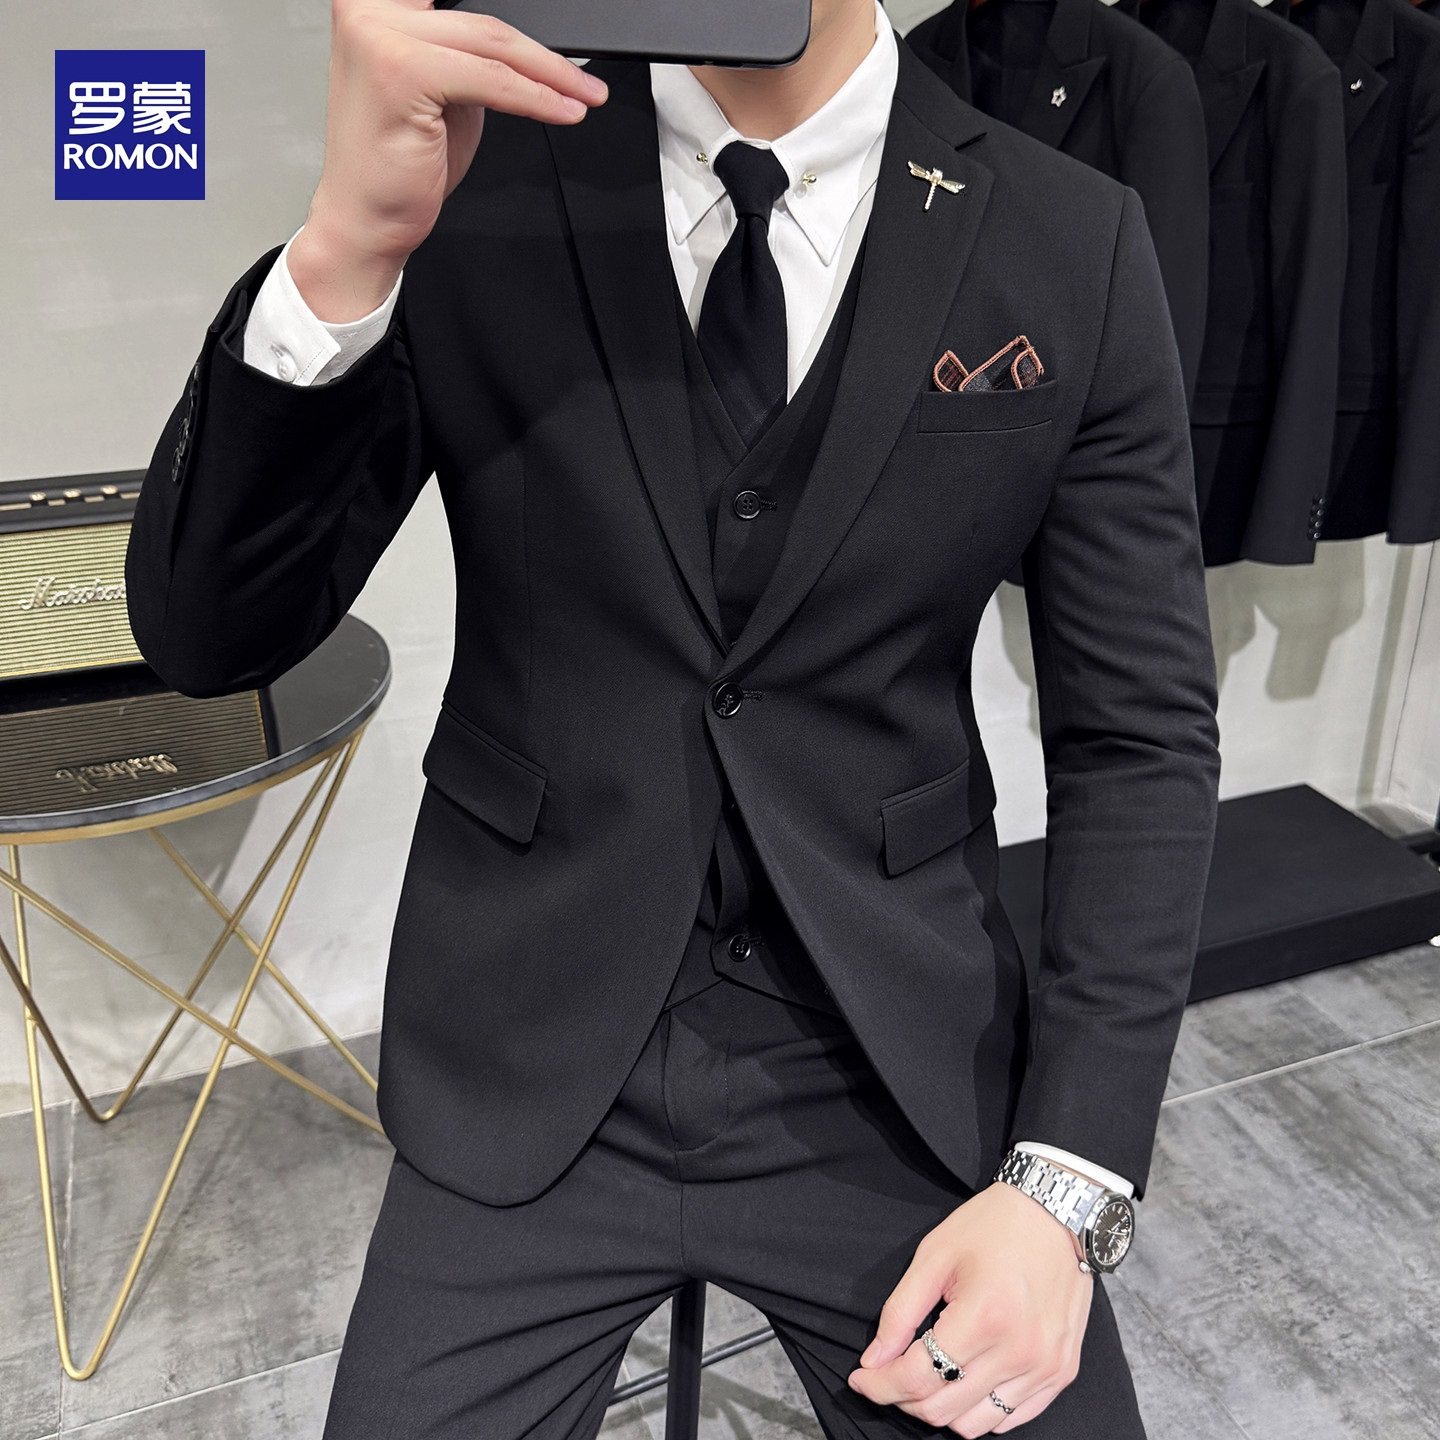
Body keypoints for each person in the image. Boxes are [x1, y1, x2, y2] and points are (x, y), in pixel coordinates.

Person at [123, 1, 1222, 1434]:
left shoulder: (1069, 236)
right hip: (528, 1042)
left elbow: (1139, 739)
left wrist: (1068, 1183)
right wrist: (345, 248)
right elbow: (212, 639)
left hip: (892, 1062)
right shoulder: (474, 187)